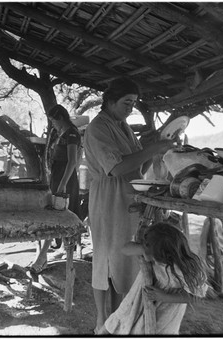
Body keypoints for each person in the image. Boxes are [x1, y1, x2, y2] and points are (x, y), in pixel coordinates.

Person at [83, 77, 176, 332]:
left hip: (129, 195)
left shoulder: (122, 126)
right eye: (127, 102)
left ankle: (119, 316)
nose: (131, 108)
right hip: (108, 197)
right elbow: (116, 168)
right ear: (111, 101)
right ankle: (101, 321)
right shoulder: (97, 128)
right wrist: (152, 147)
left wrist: (153, 151)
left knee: (123, 260)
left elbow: (137, 166)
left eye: (134, 103)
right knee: (106, 259)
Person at [96, 222, 208, 335]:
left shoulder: (181, 270)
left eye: (153, 254)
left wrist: (164, 297)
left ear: (166, 254)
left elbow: (195, 296)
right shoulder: (150, 250)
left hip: (161, 319)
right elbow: (125, 249)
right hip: (131, 309)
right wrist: (143, 248)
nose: (149, 257)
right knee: (106, 331)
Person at [30, 104, 81, 273]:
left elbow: (73, 161)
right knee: (54, 215)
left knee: (59, 216)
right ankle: (44, 255)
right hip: (58, 177)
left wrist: (63, 183)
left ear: (60, 117)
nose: (53, 124)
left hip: (65, 178)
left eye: (53, 120)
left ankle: (43, 257)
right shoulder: (61, 134)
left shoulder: (72, 133)